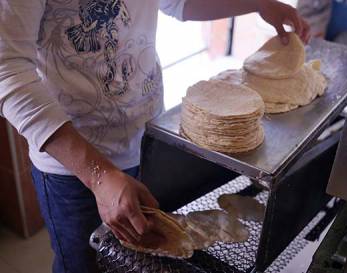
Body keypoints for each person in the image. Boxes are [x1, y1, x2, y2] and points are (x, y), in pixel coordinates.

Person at [0, 0, 310, 272]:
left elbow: (177, 1)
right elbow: (7, 69)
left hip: (148, 141)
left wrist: (257, 3)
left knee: (139, 261)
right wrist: (99, 176)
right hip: (76, 172)